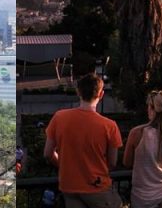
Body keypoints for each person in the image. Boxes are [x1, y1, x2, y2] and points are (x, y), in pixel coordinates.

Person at [44, 73, 123, 208]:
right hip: (97, 187)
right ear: (101, 94)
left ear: (78, 92)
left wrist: (64, 165)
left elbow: (47, 153)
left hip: (69, 187)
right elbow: (112, 162)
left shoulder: (59, 117)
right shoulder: (109, 126)